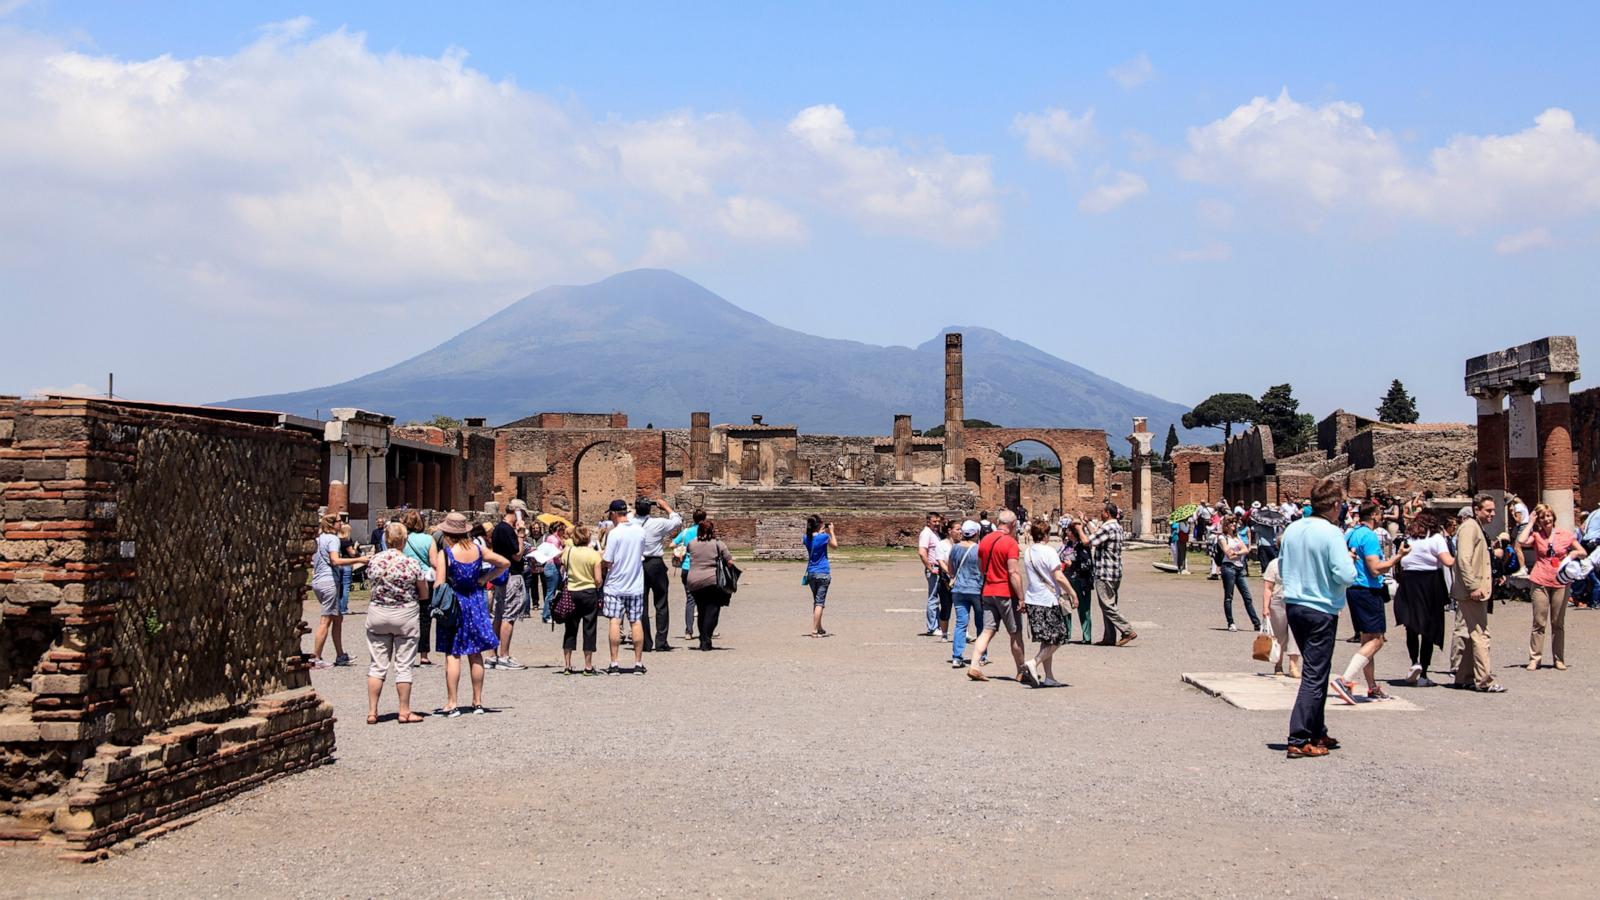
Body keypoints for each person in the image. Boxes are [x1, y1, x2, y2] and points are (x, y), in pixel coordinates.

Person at [1280, 478, 1358, 758]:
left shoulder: (1292, 528)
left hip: (1295, 604)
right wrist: (1350, 562)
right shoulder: (1331, 533)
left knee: (1318, 670)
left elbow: (1282, 564)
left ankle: (1317, 730)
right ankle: (1299, 738)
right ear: (1336, 505)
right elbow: (1345, 574)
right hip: (1320, 608)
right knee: (1314, 675)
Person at [432, 512, 508, 716]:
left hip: (455, 605)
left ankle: (452, 703)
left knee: (453, 654)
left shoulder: (446, 553)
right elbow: (504, 563)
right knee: (475, 654)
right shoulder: (478, 549)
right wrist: (485, 578)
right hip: (475, 602)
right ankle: (478, 702)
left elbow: (439, 584)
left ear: (447, 532)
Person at [1336, 500, 1403, 702]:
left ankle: (1372, 686)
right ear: (1373, 515)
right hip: (1368, 589)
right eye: (1379, 513)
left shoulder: (1351, 533)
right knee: (1377, 640)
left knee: (1367, 640)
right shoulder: (1370, 536)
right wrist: (1398, 557)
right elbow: (1375, 568)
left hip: (1354, 589)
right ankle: (1345, 679)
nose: (1381, 516)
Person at [363, 522, 424, 724]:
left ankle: (372, 711)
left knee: (377, 665)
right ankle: (404, 711)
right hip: (404, 615)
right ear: (404, 540)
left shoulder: (374, 561)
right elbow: (424, 593)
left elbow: (370, 583)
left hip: (378, 613)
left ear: (386, 539)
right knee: (404, 665)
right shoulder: (411, 563)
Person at [1518, 502, 1587, 671]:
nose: (1546, 519)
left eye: (1548, 516)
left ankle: (1558, 658)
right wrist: (1531, 523)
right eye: (1542, 517)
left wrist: (1573, 553)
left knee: (1558, 622)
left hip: (1560, 582)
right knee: (1539, 622)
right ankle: (1535, 658)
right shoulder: (1537, 535)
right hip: (1540, 580)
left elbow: (1583, 552)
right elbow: (1520, 541)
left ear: (1553, 517)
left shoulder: (1565, 535)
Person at [1452, 495, 1505, 692]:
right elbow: (1464, 560)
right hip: (1472, 591)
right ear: (1476, 509)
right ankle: (1485, 681)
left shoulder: (1477, 527)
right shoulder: (1469, 528)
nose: (1492, 514)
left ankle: (1463, 676)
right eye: (1488, 510)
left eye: (1493, 510)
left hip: (1477, 589)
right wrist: (1473, 585)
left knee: (1473, 632)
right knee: (1481, 634)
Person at [1394, 512, 1455, 686]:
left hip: (1409, 582)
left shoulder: (1409, 539)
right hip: (1429, 582)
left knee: (1411, 626)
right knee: (1429, 627)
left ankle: (1415, 662)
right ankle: (1424, 672)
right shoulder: (1436, 538)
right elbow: (1447, 561)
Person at [968, 510, 1028, 684]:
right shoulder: (1010, 543)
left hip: (988, 590)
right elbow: (1014, 572)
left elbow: (980, 567)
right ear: (1013, 525)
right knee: (1015, 633)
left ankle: (974, 665)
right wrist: (1021, 597)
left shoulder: (985, 540)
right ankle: (1021, 671)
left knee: (987, 630)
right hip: (1006, 593)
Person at [1021, 521, 1076, 687]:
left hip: (1033, 599)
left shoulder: (1028, 551)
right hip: (1048, 600)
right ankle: (1034, 662)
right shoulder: (1049, 551)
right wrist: (1072, 593)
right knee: (1059, 637)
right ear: (1046, 534)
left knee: (1047, 639)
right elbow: (1058, 576)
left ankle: (1049, 677)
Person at [311, 513, 369, 669]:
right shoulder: (333, 539)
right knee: (326, 620)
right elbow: (335, 560)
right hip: (328, 581)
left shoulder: (318, 539)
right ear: (332, 524)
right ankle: (316, 658)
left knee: (337, 618)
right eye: (339, 521)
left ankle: (341, 655)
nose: (341, 524)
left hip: (318, 581)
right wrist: (359, 560)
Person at [600, 499, 648, 674]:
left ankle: (614, 663)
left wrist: (601, 562)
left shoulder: (614, 533)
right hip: (635, 583)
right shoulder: (640, 531)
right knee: (636, 622)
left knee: (615, 621)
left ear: (613, 514)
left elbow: (608, 560)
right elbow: (640, 553)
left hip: (615, 584)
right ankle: (638, 663)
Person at [631, 497, 684, 652]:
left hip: (638, 564)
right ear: (650, 509)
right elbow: (677, 521)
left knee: (641, 605)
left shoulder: (630, 523)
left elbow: (627, 516)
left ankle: (645, 642)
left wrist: (635, 510)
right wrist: (666, 507)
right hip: (655, 563)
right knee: (661, 602)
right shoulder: (658, 523)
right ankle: (661, 642)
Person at [1089, 502, 1137, 647]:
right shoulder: (1117, 527)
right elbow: (1097, 535)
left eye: (1102, 511)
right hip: (1115, 571)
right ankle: (1109, 637)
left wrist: (1079, 528)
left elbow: (1088, 541)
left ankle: (1127, 630)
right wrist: (1087, 524)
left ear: (1107, 513)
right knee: (1110, 604)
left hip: (1105, 572)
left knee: (1107, 605)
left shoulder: (1107, 527)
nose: (1100, 513)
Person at [558, 524, 603, 675]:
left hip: (571, 591)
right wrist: (598, 585)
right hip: (589, 591)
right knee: (589, 627)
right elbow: (598, 579)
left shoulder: (568, 552)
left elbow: (563, 567)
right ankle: (588, 666)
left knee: (570, 628)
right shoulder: (593, 554)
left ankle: (567, 665)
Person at [487, 504, 527, 670]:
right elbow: (517, 555)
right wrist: (521, 534)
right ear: (518, 512)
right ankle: (504, 656)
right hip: (511, 576)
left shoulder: (497, 529)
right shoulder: (508, 530)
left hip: (501, 576)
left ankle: (492, 655)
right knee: (508, 616)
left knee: (498, 614)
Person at [684, 519, 734, 651]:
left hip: (694, 581)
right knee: (712, 611)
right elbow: (730, 561)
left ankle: (703, 637)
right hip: (711, 581)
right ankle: (706, 639)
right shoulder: (718, 544)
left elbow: (687, 553)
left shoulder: (691, 543)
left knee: (701, 610)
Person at [943, 520, 983, 668]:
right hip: (976, 589)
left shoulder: (955, 548)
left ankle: (957, 657)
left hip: (959, 589)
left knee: (961, 624)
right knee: (980, 624)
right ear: (976, 533)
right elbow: (982, 570)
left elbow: (950, 569)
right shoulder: (979, 549)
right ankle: (981, 655)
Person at [400, 511, 437, 667]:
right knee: (424, 617)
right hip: (424, 579)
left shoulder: (402, 539)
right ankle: (423, 654)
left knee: (406, 615)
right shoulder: (429, 539)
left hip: (406, 578)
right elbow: (434, 562)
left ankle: (405, 652)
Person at [1218, 516, 1261, 632]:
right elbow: (1228, 554)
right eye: (1231, 523)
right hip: (1228, 568)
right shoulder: (1222, 538)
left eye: (1235, 523)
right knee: (1229, 597)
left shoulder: (1237, 537)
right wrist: (1239, 553)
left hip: (1240, 569)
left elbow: (1247, 550)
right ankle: (1231, 622)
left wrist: (1236, 552)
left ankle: (1256, 623)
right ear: (1226, 525)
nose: (1234, 525)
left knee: (1247, 597)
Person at [1260, 556, 1301, 678]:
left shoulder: (1300, 562)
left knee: (1296, 634)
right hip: (1278, 601)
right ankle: (1278, 664)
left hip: (1296, 601)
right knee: (1279, 636)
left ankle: (1293, 666)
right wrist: (1265, 607)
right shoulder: (1274, 564)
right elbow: (1268, 588)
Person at [672, 510, 706, 643]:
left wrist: (682, 548)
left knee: (690, 600)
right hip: (702, 568)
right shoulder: (705, 531)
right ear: (704, 519)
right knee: (704, 600)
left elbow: (672, 544)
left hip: (687, 568)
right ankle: (705, 629)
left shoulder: (686, 532)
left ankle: (688, 631)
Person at [1061, 516, 1096, 643]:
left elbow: (1087, 564)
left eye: (1069, 530)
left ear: (1073, 532)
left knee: (1084, 609)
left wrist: (1073, 565)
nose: (1066, 532)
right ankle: (1066, 634)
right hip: (1067, 580)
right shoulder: (1068, 544)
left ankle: (1087, 637)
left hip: (1081, 581)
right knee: (1065, 607)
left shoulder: (1083, 546)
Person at [804, 515, 836, 636]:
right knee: (820, 603)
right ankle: (814, 630)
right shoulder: (824, 537)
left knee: (816, 601)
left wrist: (819, 532)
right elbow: (835, 545)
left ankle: (819, 627)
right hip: (822, 572)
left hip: (811, 573)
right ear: (819, 525)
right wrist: (831, 532)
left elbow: (813, 539)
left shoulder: (805, 538)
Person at [918, 512, 945, 638]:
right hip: (933, 568)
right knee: (933, 598)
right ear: (928, 521)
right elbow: (922, 552)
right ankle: (932, 627)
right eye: (934, 521)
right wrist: (930, 567)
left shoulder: (935, 533)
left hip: (939, 568)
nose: (937, 524)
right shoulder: (926, 533)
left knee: (938, 598)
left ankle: (937, 626)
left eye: (938, 521)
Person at [540, 521, 569, 624]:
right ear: (558, 530)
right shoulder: (553, 540)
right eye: (562, 529)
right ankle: (546, 615)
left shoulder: (556, 539)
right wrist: (566, 549)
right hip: (552, 566)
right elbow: (555, 555)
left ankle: (555, 611)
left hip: (554, 567)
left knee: (560, 589)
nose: (563, 531)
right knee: (551, 592)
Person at [935, 521, 958, 642]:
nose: (960, 532)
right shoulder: (941, 544)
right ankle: (944, 633)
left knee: (962, 608)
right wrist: (950, 573)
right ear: (949, 531)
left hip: (960, 579)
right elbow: (940, 561)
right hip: (946, 580)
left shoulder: (962, 544)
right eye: (957, 529)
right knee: (946, 607)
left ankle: (963, 632)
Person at [335, 522, 357, 616]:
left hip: (338, 564)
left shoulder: (336, 540)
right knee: (346, 587)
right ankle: (343, 608)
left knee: (339, 587)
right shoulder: (346, 541)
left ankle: (338, 607)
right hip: (346, 564)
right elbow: (352, 553)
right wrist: (355, 546)